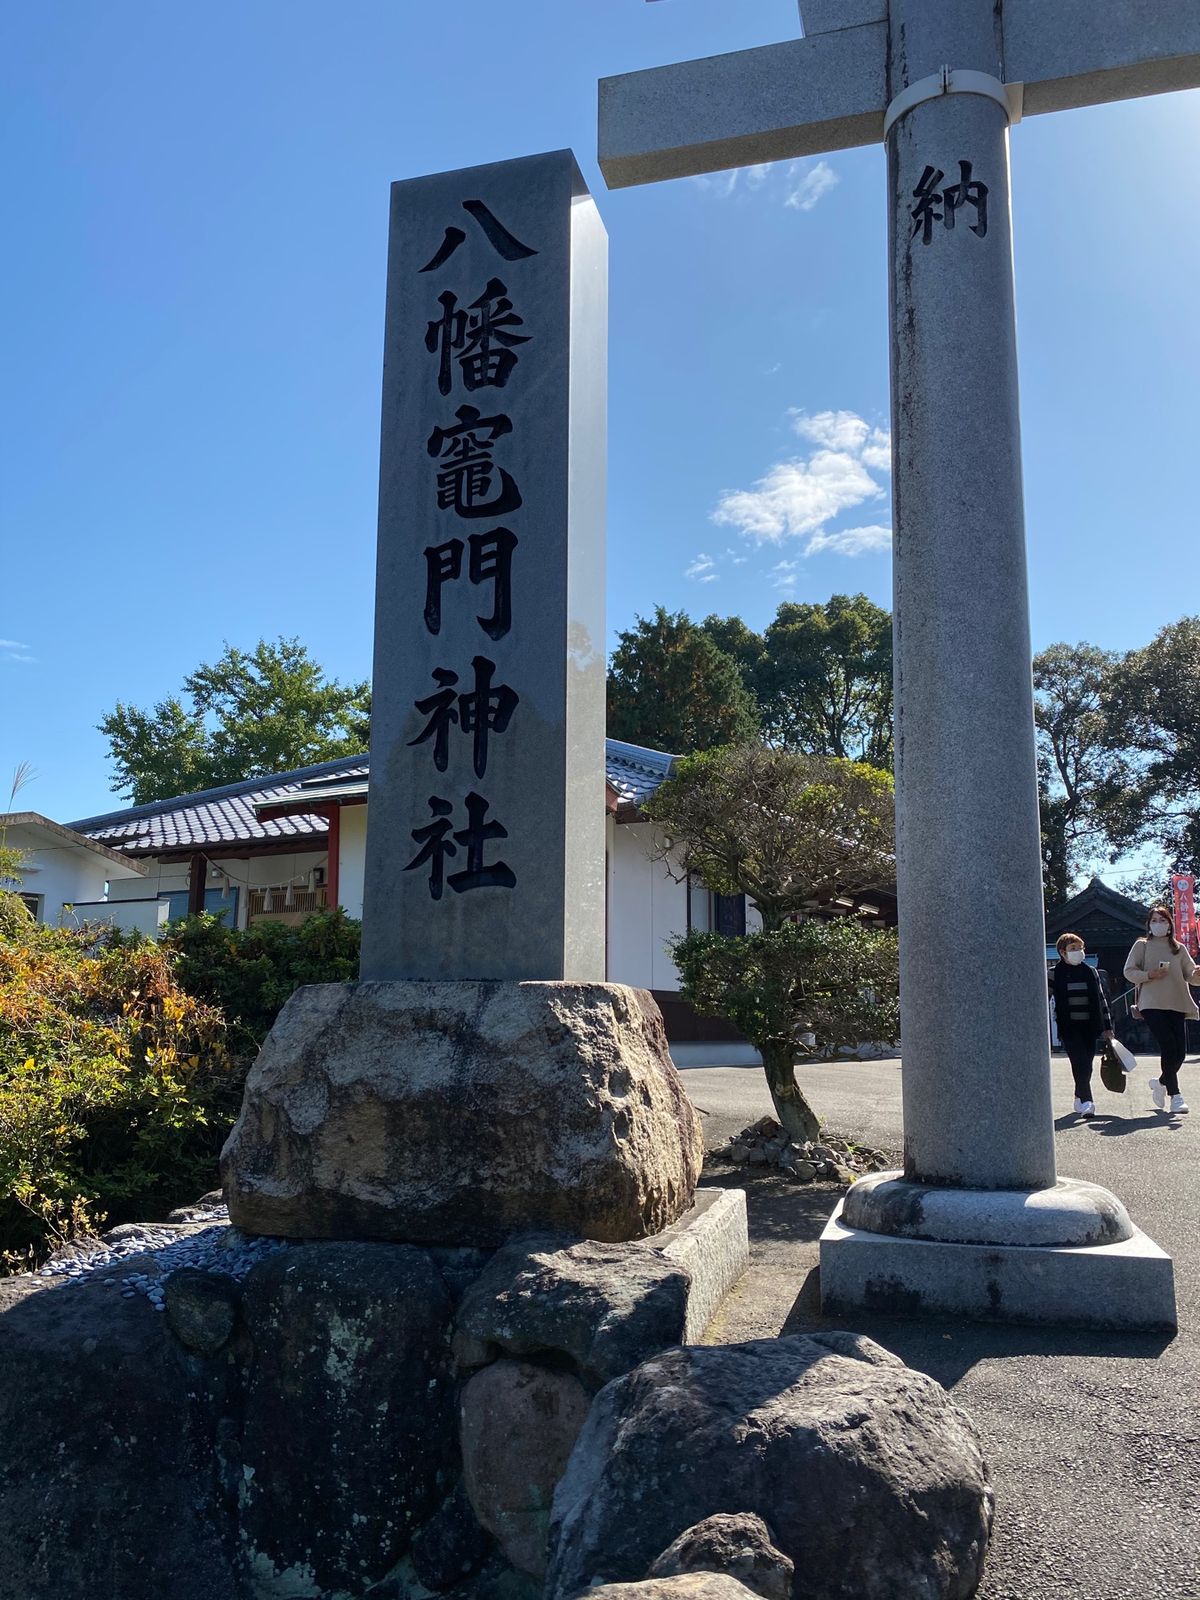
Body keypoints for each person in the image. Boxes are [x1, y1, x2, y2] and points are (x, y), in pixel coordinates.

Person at [1124, 904, 1199, 1115]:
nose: (1158, 924)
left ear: (1170, 925)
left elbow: (1190, 975)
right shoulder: (1142, 946)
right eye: (1154, 920)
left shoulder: (1179, 948)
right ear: (1148, 925)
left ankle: (1160, 1083)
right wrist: (1149, 975)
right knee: (1168, 1046)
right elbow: (1129, 971)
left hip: (1176, 1002)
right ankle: (1175, 1096)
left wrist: (1197, 974)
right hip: (1151, 1003)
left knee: (1180, 1054)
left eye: (1163, 920)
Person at [1050, 933, 1115, 1120]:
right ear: (1062, 952)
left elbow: (1102, 1000)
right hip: (1069, 1026)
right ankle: (1088, 1101)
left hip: (1090, 1025)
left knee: (1087, 1064)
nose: (1078, 952)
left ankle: (1079, 1096)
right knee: (1079, 1061)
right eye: (1073, 949)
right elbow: (1044, 997)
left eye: (1080, 948)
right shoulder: (1055, 973)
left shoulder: (1090, 971)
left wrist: (1108, 1026)